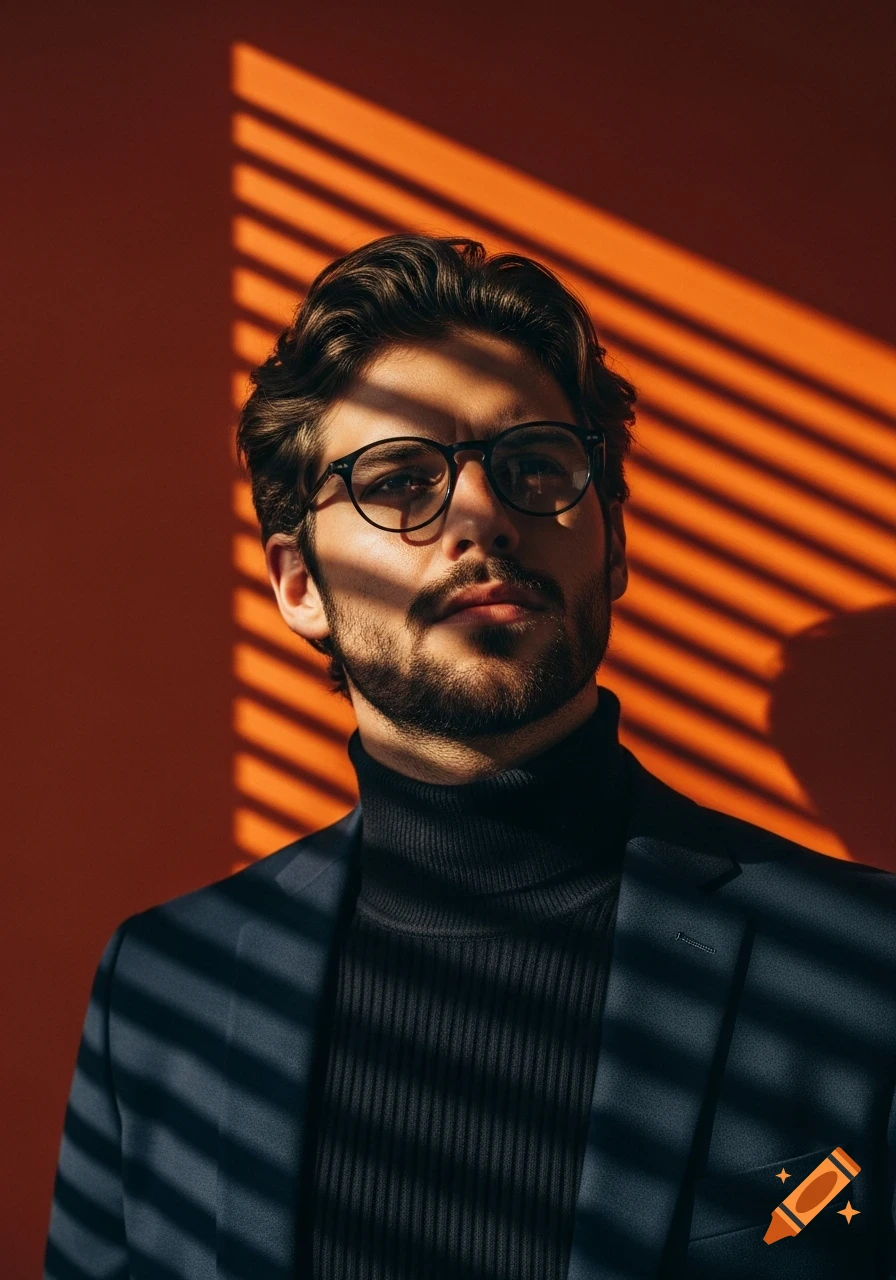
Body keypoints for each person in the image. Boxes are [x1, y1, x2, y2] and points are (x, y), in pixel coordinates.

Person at [45, 235, 895, 1280]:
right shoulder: (162, 991)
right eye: (398, 480)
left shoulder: (864, 964)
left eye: (533, 463)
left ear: (613, 544)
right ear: (298, 583)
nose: (482, 513)